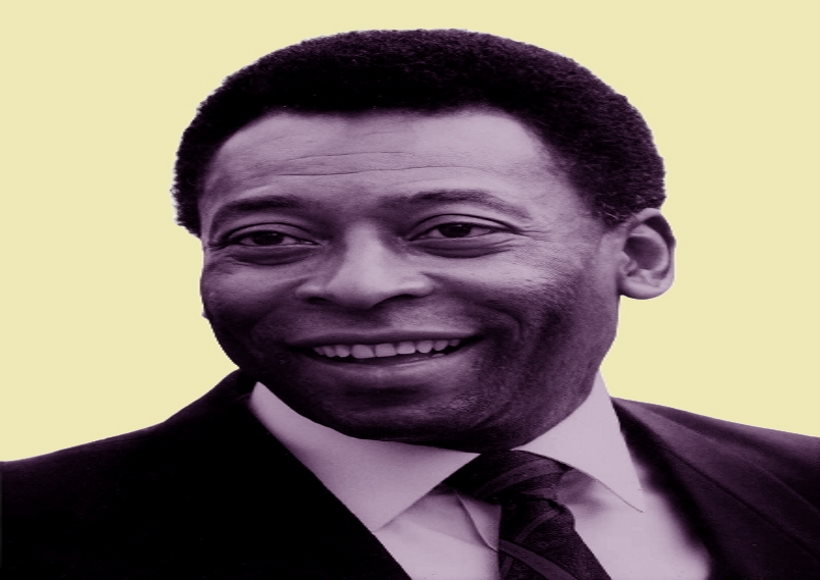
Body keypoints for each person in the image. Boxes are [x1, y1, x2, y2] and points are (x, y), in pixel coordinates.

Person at [2, 29, 818, 580]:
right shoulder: (32, 533)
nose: (358, 285)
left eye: (454, 230)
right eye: (269, 238)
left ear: (638, 257)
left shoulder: (799, 491)